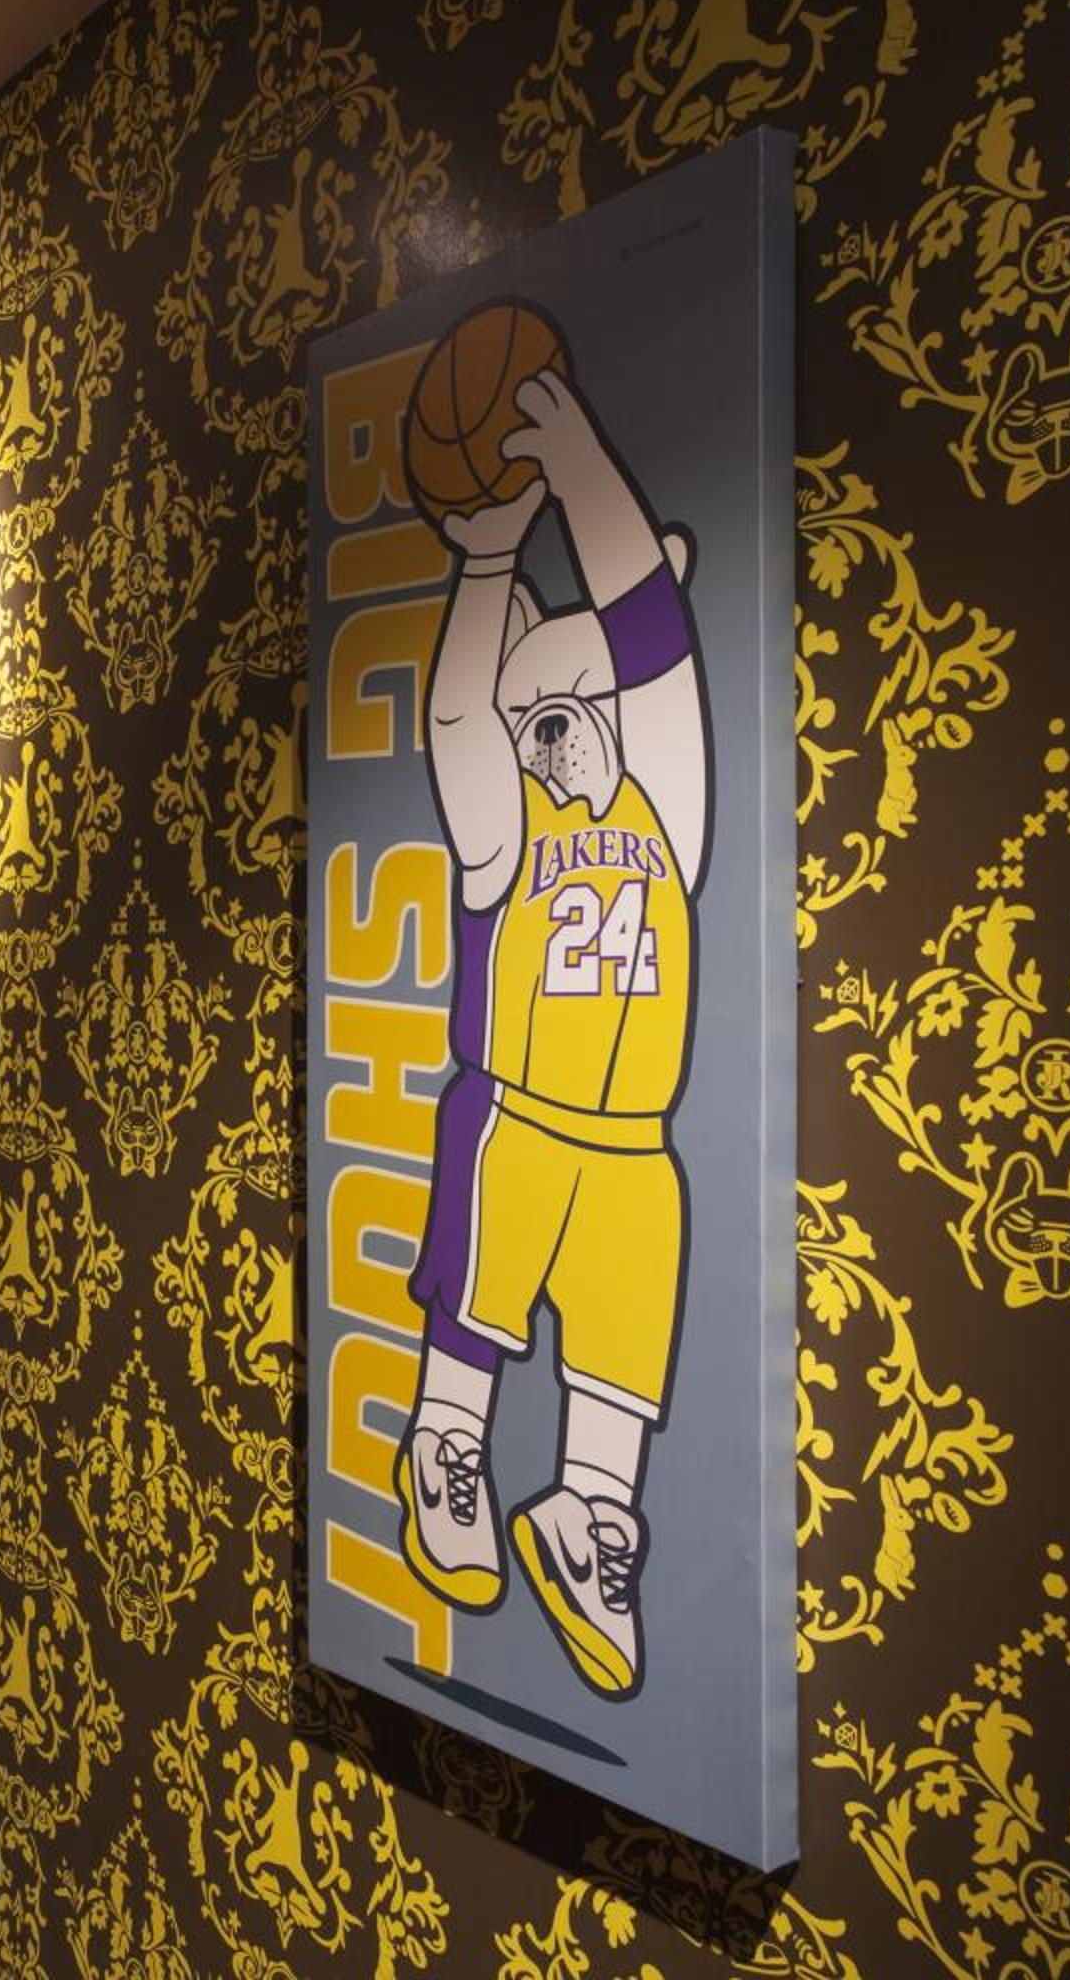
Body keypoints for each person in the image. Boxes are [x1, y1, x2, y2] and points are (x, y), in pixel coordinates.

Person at [394, 362, 710, 1700]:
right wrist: (485, 568)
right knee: (477, 1309)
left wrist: (585, 473)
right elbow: (458, 716)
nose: (556, 733)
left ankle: (591, 1512)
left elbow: (656, 636)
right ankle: (445, 1441)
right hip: (515, 1118)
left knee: (623, 1344)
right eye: (536, 716)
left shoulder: (666, 813)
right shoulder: (503, 835)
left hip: (635, 1147)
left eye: (581, 707)